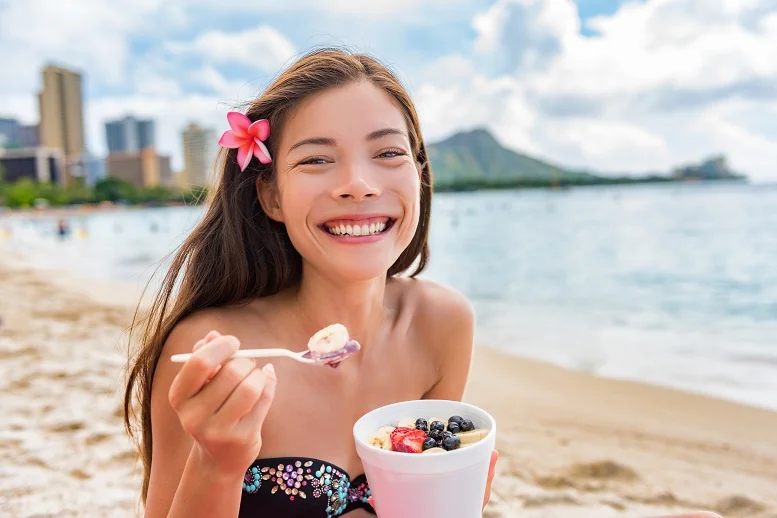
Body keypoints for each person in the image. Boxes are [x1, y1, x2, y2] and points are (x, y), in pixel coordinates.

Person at [123, 48, 723, 518]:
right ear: (271, 194)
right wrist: (219, 464)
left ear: (418, 176)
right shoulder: (212, 352)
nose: (358, 184)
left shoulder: (441, 324)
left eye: (387, 154)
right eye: (316, 159)